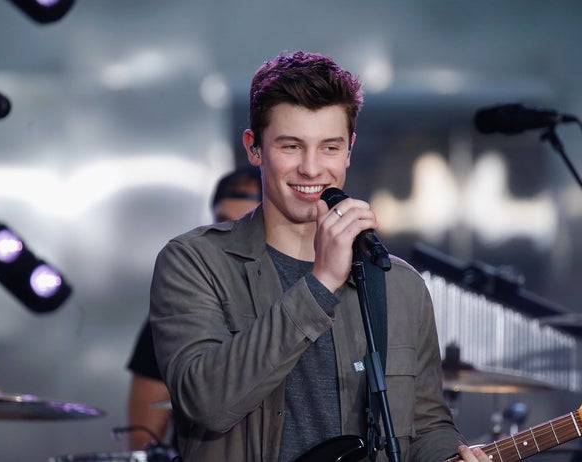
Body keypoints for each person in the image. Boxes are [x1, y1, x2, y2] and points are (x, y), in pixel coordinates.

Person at [148, 51, 489, 462]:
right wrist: (321, 283)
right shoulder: (195, 262)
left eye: (329, 147)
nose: (311, 169)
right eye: (291, 146)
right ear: (254, 149)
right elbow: (205, 402)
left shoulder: (399, 284)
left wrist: (451, 455)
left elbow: (428, 424)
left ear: (349, 150)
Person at [126, 165, 263, 451]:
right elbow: (143, 439)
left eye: (243, 225)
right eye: (222, 223)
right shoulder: (173, 316)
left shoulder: (300, 305)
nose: (229, 238)